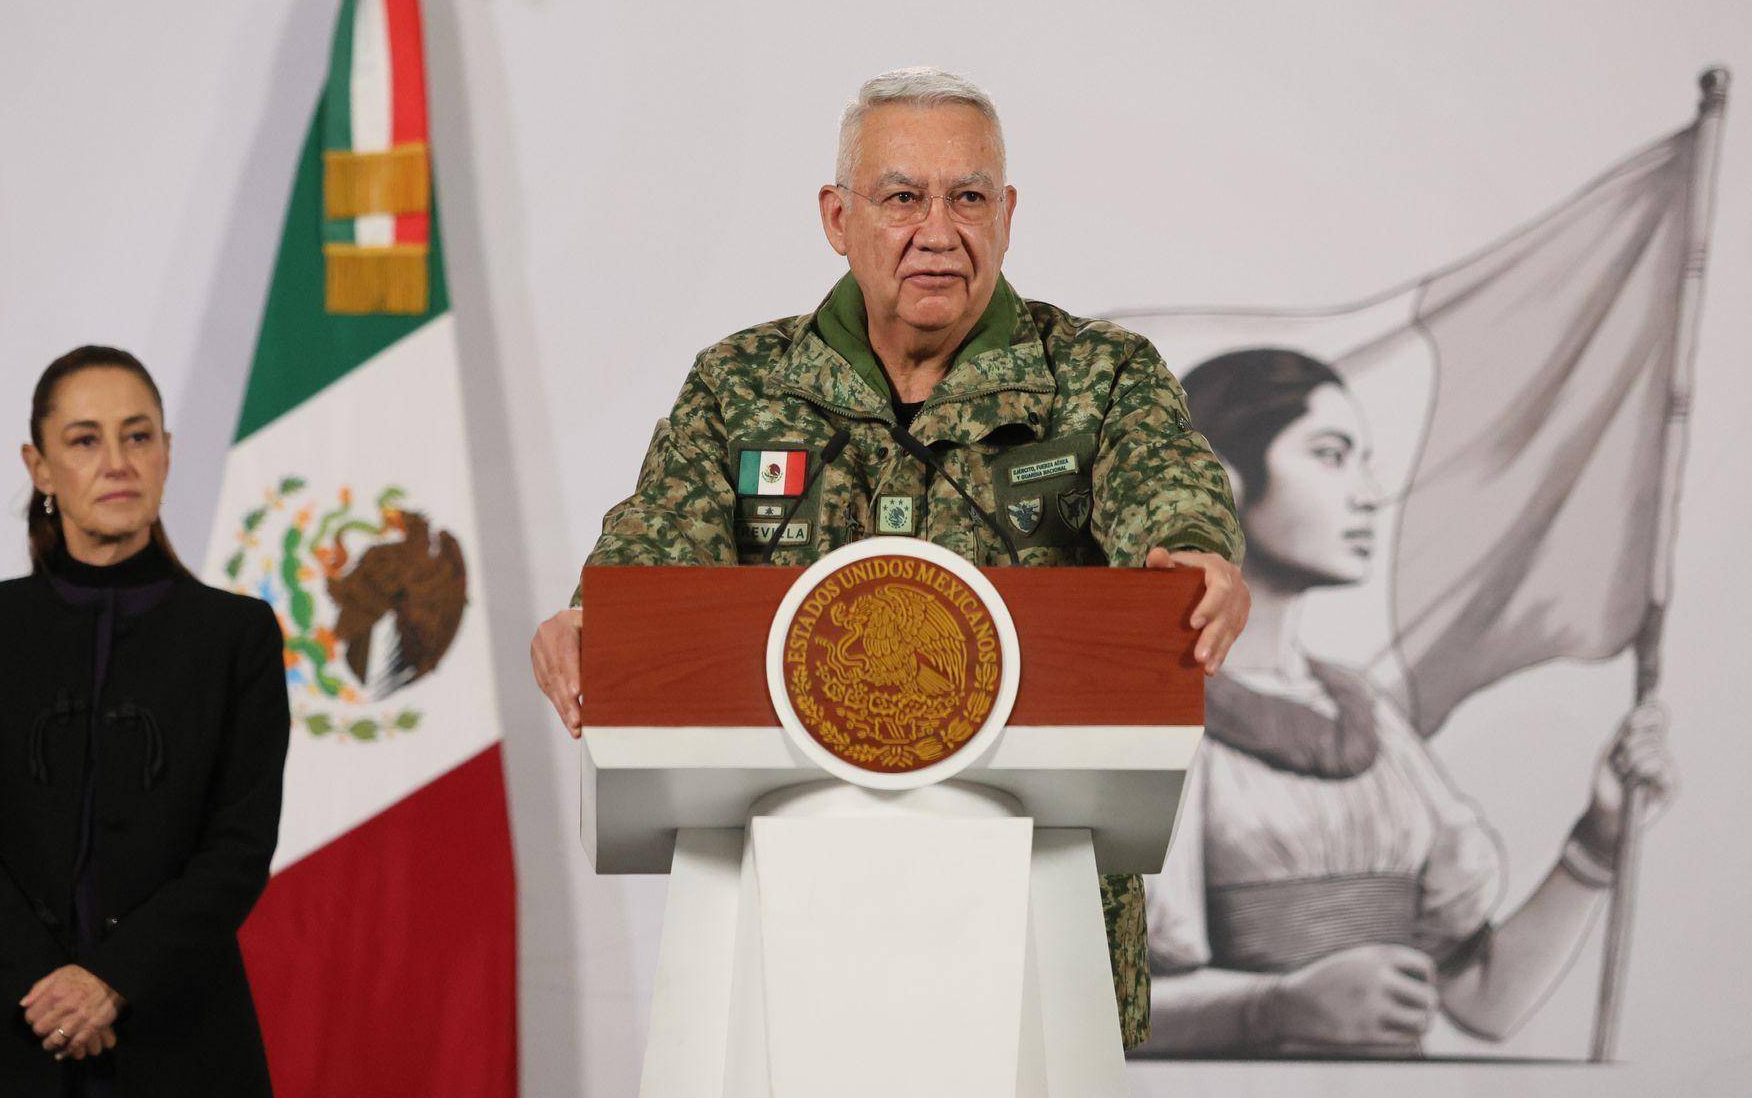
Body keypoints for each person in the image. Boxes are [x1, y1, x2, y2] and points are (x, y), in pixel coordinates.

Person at [528, 66, 1251, 1049]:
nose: (937, 229)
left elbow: (1163, 485)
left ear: (1006, 213)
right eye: (900, 196)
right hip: (781, 925)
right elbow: (658, 542)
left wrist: (1192, 555)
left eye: (967, 197)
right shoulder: (742, 384)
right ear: (837, 215)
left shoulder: (1096, 374)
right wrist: (595, 622)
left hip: (1033, 931)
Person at [1144, 347, 1677, 1057]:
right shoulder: (1153, 711)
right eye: (1331, 456)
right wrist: (1272, 1007)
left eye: (1364, 461)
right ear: (1221, 485)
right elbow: (1085, 1002)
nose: (1368, 493)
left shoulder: (1364, 714)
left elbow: (1483, 1003)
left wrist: (1600, 839)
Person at [0, 346, 289, 1096]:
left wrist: (112, 981)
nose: (117, 462)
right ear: (39, 467)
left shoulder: (237, 635)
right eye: (85, 440)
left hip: (180, 1033)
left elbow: (238, 848)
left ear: (168, 454)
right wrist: (48, 987)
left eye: (138, 436)